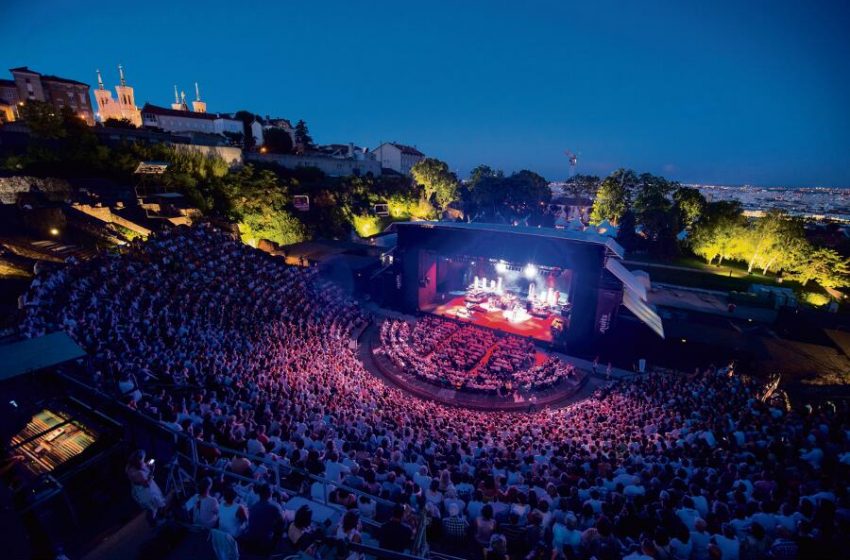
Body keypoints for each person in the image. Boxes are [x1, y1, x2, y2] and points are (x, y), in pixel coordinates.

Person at [241, 484, 284, 554]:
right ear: (271, 494)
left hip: (250, 541)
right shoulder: (275, 507)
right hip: (264, 544)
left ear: (259, 494)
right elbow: (282, 523)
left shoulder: (254, 506)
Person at [124, 449, 165, 524]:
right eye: (142, 459)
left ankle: (155, 521)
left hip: (143, 490)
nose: (144, 461)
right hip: (145, 492)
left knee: (153, 507)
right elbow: (147, 484)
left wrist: (146, 464)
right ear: (138, 460)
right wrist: (152, 471)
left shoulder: (133, 467)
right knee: (153, 507)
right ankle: (154, 522)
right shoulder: (137, 473)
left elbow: (143, 467)